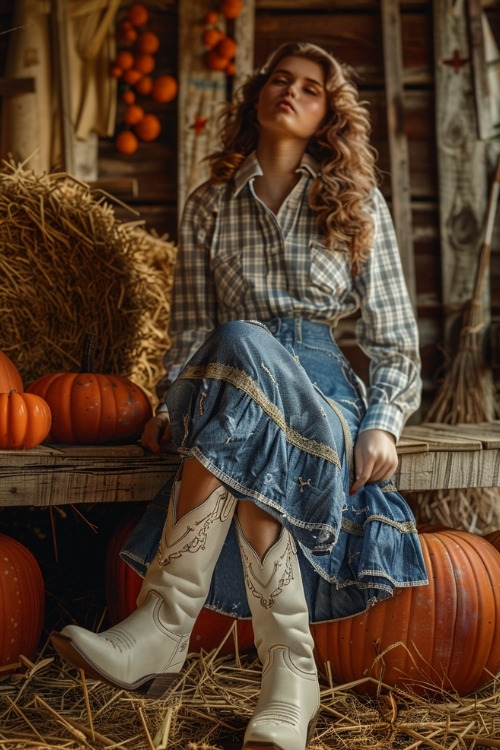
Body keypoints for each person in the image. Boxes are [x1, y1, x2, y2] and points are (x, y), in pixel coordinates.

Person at [52, 41, 428, 750]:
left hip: (321, 390)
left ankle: (167, 625)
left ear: (325, 117)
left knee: (241, 354)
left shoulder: (354, 202)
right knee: (236, 347)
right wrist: (170, 406)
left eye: (311, 88)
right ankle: (290, 670)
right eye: (279, 80)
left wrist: (382, 424)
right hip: (225, 378)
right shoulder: (208, 206)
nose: (291, 91)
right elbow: (192, 330)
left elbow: (395, 341)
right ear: (257, 96)